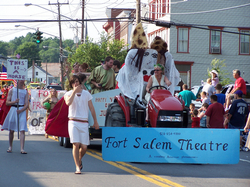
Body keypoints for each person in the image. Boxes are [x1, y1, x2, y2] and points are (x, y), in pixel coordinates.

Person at [64, 75, 99, 174]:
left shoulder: (86, 94)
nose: (76, 83)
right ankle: (77, 167)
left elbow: (91, 108)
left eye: (77, 81)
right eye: (74, 82)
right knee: (76, 144)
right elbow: (68, 103)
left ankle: (79, 159)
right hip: (73, 121)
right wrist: (74, 92)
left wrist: (95, 121)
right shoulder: (68, 94)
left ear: (80, 82)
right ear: (71, 84)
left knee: (84, 147)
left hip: (84, 122)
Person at [2, 80, 29, 154]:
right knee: (11, 130)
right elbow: (7, 102)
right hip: (13, 109)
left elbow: (26, 104)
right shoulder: (12, 90)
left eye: (23, 80)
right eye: (20, 80)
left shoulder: (25, 91)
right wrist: (14, 102)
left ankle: (22, 149)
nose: (22, 81)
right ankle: (10, 146)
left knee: (22, 129)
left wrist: (22, 110)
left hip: (21, 110)